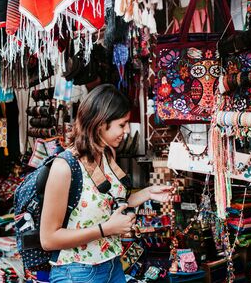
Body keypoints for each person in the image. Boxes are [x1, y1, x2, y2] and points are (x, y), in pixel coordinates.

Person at [40, 84, 173, 283]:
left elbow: (112, 201)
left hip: (112, 266)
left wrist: (149, 193)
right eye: (122, 124)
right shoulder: (64, 167)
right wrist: (106, 230)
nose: (127, 130)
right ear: (101, 123)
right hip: (77, 273)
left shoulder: (106, 154)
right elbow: (48, 240)